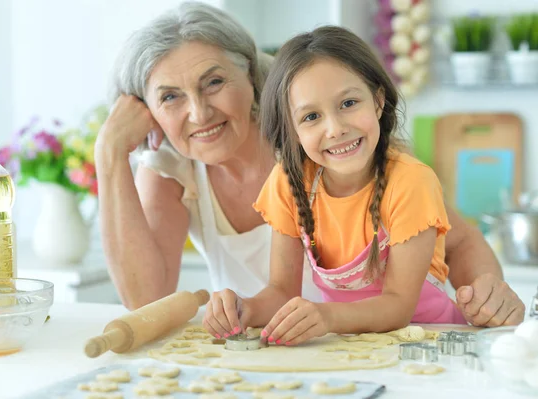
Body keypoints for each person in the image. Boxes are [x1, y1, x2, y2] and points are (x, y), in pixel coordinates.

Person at [94, 1, 525, 329]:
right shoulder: (172, 167)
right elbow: (145, 304)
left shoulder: (333, 145)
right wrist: (110, 152)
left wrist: (487, 291)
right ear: (147, 110)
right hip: (288, 354)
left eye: (215, 82)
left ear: (250, 76)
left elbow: (459, 241)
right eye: (169, 96)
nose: (200, 113)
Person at [205, 25, 471, 343]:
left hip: (430, 342)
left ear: (377, 100)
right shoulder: (290, 182)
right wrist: (243, 309)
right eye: (311, 117)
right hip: (351, 345)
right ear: (293, 131)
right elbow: (280, 292)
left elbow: (398, 306)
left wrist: (326, 316)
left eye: (348, 104)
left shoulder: (411, 182)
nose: (335, 129)